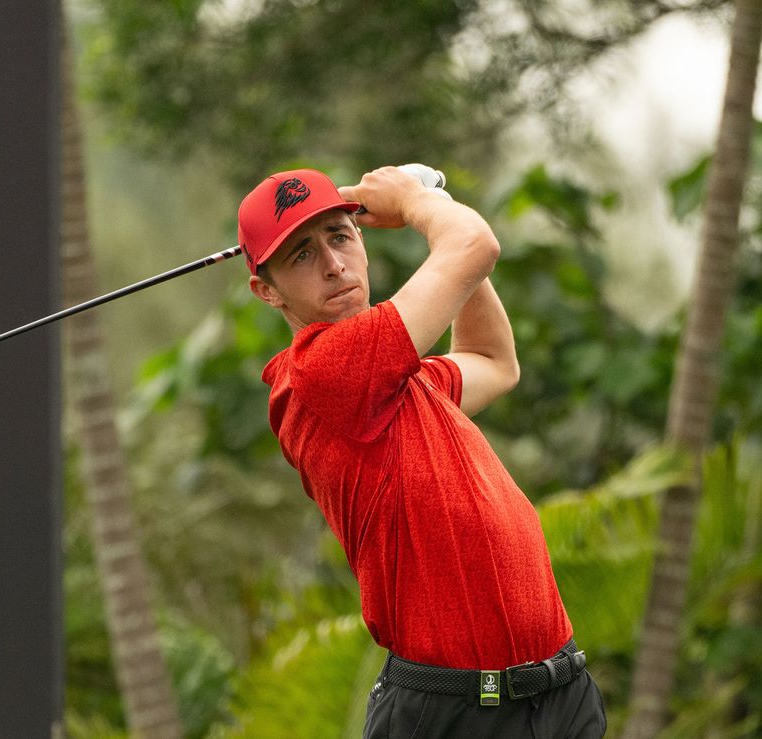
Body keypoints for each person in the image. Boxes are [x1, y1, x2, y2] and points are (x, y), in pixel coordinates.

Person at [239, 166, 607, 738]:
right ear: (267, 290)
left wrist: (436, 204)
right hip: (454, 713)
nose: (334, 265)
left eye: (340, 236)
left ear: (361, 240)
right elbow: (474, 244)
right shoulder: (323, 374)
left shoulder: (400, 381)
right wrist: (418, 203)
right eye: (300, 255)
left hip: (559, 697)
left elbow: (491, 359)